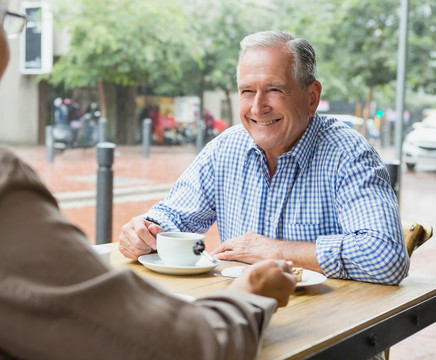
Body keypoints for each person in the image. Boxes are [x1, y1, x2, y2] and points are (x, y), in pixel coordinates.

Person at [0, 2, 297, 359]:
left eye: (274, 89)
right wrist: (249, 297)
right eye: (7, 21)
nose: (258, 105)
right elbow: (171, 346)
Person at [119, 30, 410, 286]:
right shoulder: (225, 149)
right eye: (247, 91)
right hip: (245, 317)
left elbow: (387, 257)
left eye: (274, 90)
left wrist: (276, 252)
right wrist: (145, 231)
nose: (258, 108)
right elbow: (175, 218)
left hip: (329, 332)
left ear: (312, 98)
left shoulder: (348, 155)